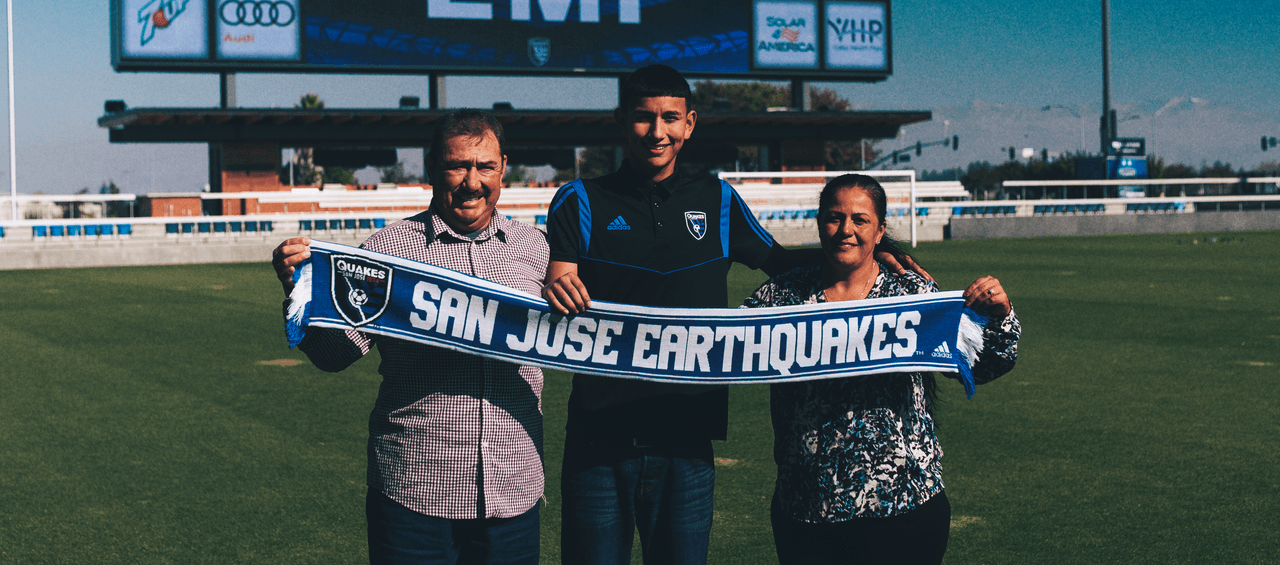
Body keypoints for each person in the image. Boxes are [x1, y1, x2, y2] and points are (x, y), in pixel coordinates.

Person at [541, 65, 931, 565]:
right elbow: (557, 282)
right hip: (599, 440)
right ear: (622, 121)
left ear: (691, 123)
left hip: (687, 438)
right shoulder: (580, 201)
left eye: (670, 118)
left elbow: (785, 267)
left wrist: (870, 252)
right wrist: (555, 284)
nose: (657, 131)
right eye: (643, 118)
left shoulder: (717, 199)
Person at [271, 110, 549, 565]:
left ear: (504, 168)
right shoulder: (386, 252)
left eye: (485, 167)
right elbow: (333, 355)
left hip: (513, 490)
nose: (471, 182)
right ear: (431, 168)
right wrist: (298, 292)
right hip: (414, 492)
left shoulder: (537, 250)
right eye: (457, 166)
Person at [741, 173, 1022, 565]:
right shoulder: (780, 298)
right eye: (834, 217)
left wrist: (1001, 313)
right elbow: (716, 351)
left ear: (880, 230)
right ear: (819, 222)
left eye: (860, 220)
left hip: (904, 507)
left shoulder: (911, 295)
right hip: (806, 507)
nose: (846, 230)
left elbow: (985, 363)